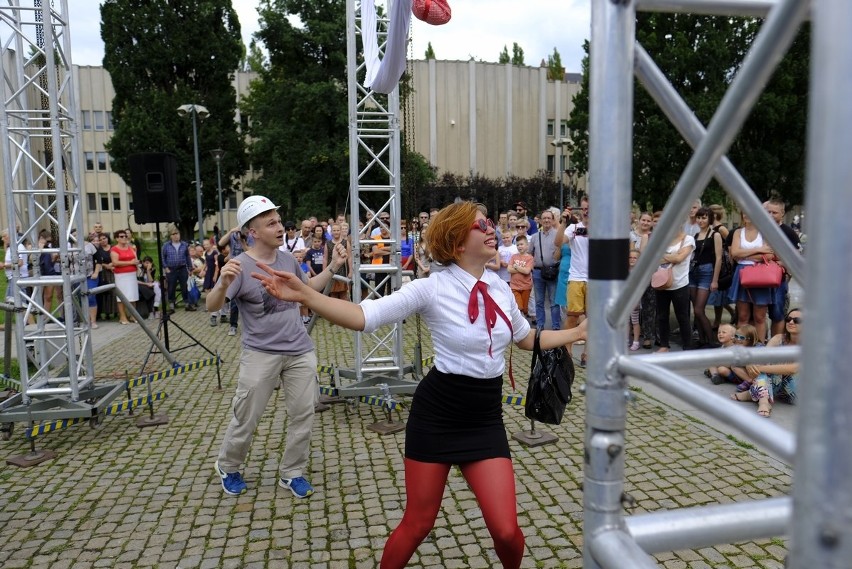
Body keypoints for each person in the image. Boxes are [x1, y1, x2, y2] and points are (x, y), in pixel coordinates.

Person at [252, 201, 587, 569]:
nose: (490, 228)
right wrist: (305, 295)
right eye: (480, 225)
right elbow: (364, 316)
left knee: (506, 531)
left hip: (484, 421)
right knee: (418, 524)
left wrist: (577, 332)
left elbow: (525, 339)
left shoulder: (499, 287)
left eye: (489, 222)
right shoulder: (431, 288)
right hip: (436, 418)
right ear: (458, 242)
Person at [207, 195, 348, 498]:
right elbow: (211, 305)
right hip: (260, 354)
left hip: (299, 350)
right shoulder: (240, 266)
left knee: (303, 414)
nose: (280, 227)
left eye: (279, 221)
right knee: (246, 416)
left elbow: (308, 289)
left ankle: (292, 472)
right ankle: (229, 465)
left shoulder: (287, 260)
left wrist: (335, 265)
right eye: (270, 223)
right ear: (253, 231)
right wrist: (220, 284)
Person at [730, 308, 801, 417]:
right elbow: (762, 357)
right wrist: (751, 363)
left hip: (798, 393)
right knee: (767, 366)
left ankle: (751, 393)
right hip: (778, 388)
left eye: (797, 320)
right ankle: (764, 402)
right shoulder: (778, 339)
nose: (791, 322)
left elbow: (793, 369)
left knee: (770, 367)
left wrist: (760, 368)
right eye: (789, 319)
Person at [726, 212, 775, 343]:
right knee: (742, 316)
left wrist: (744, 255)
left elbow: (769, 255)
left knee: (760, 316)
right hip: (742, 273)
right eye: (744, 212)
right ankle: (741, 345)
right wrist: (758, 250)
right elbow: (734, 253)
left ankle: (759, 346)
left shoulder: (765, 232)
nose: (747, 215)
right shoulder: (738, 232)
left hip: (761, 274)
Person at [654, 229, 695, 352]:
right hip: (661, 282)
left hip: (680, 283)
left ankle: (687, 346)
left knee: (683, 316)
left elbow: (679, 259)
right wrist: (673, 256)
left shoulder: (688, 239)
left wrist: (664, 256)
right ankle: (664, 345)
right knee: (662, 315)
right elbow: (654, 257)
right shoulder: (661, 238)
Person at [689, 207, 723, 347]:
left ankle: (712, 341)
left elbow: (719, 258)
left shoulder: (715, 235)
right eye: (699, 217)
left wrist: (715, 280)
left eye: (704, 218)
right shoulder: (695, 236)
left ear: (709, 219)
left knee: (698, 309)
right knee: (697, 310)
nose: (701, 220)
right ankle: (702, 340)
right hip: (693, 273)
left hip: (707, 272)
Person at [526, 208, 560, 331]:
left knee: (554, 301)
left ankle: (556, 326)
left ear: (552, 220)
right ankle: (540, 325)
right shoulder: (535, 237)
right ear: (540, 220)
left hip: (553, 272)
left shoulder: (558, 235)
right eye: (544, 218)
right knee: (539, 301)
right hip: (538, 272)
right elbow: (529, 253)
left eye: (549, 218)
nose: (546, 220)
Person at [220, 224, 254, 335]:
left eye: (245, 229)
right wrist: (231, 231)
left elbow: (251, 252)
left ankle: (250, 326)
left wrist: (243, 242)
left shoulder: (251, 236)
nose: (243, 231)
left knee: (250, 299)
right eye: (242, 229)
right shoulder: (233, 235)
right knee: (233, 300)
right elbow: (220, 243)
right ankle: (233, 325)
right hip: (234, 270)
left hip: (247, 269)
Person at [162, 229, 196, 312]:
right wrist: (166, 268)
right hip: (171, 269)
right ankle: (171, 306)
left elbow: (187, 257)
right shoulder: (166, 245)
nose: (175, 236)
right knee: (171, 287)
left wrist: (190, 268)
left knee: (184, 286)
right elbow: (163, 257)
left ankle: (187, 304)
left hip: (182, 268)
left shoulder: (184, 244)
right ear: (170, 236)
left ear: (179, 234)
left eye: (177, 234)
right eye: (173, 234)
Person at [110, 230, 140, 324]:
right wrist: (129, 263)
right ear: (117, 238)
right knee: (122, 296)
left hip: (132, 274)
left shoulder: (131, 247)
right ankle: (122, 317)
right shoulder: (114, 249)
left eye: (125, 236)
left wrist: (135, 263)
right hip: (121, 275)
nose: (124, 238)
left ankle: (133, 315)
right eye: (121, 236)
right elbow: (115, 263)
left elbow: (135, 259)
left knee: (133, 295)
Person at [507, 234, 533, 317]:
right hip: (514, 286)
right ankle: (520, 325)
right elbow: (509, 269)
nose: (519, 246)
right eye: (517, 245)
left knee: (525, 309)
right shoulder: (514, 256)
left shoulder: (530, 258)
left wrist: (516, 267)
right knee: (519, 307)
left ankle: (524, 320)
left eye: (521, 244)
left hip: (526, 286)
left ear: (527, 245)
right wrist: (521, 269)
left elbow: (527, 271)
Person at [94, 232, 118, 321]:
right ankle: (105, 313)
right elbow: (97, 260)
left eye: (104, 238)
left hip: (113, 271)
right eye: (100, 239)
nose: (103, 241)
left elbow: (117, 258)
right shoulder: (98, 250)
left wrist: (112, 264)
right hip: (103, 272)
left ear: (108, 238)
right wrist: (106, 265)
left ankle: (115, 311)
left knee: (114, 292)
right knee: (104, 293)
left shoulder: (113, 248)